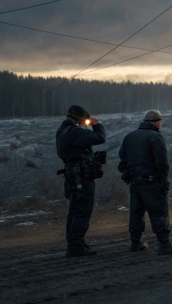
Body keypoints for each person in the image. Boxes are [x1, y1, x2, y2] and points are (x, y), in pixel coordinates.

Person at [118, 110, 172, 255]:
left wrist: (127, 173)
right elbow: (162, 162)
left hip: (135, 183)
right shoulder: (155, 137)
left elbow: (123, 159)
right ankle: (164, 243)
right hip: (151, 183)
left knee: (136, 213)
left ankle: (136, 242)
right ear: (157, 122)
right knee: (159, 212)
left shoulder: (130, 136)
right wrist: (163, 179)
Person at [56, 104, 106, 257]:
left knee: (74, 210)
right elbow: (100, 138)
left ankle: (75, 242)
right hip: (81, 175)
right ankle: (76, 245)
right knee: (82, 210)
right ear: (80, 119)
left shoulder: (62, 131)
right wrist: (97, 124)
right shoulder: (74, 132)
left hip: (73, 173)